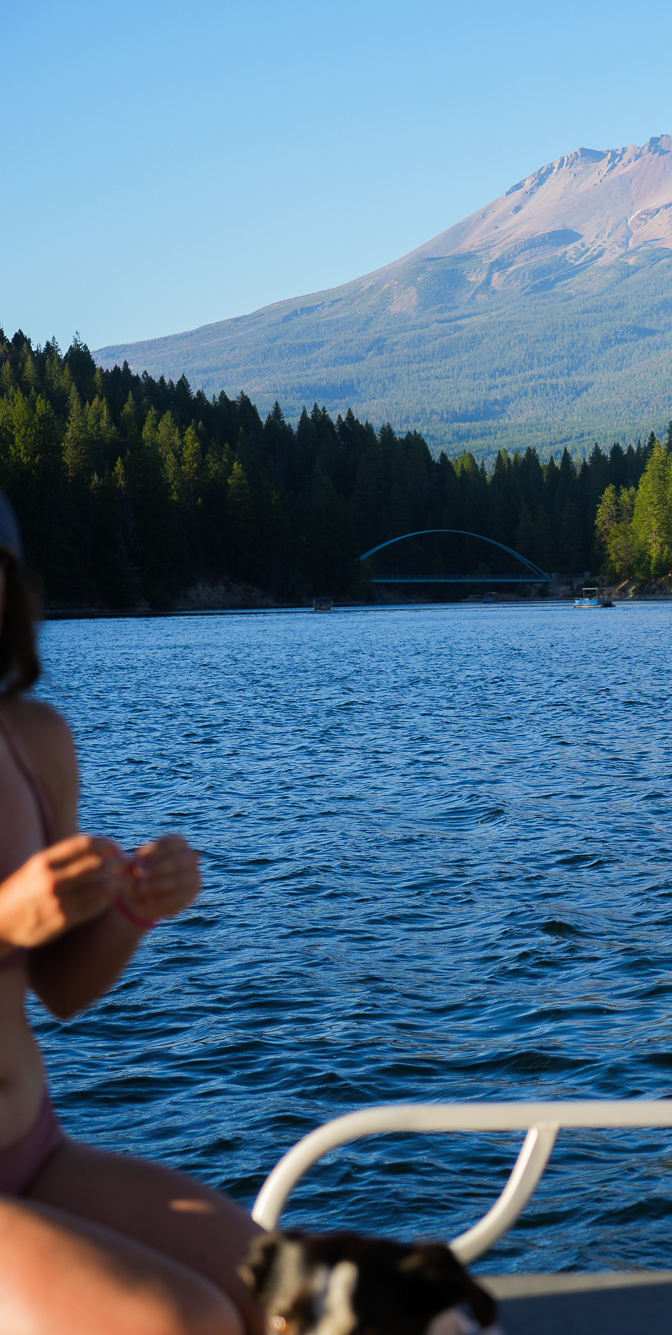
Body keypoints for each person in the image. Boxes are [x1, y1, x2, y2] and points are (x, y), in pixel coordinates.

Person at [0, 493, 263, 1335]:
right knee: (181, 1322)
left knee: (289, 1300)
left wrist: (130, 911)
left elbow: (61, 989)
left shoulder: (33, 742)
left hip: (32, 1150)